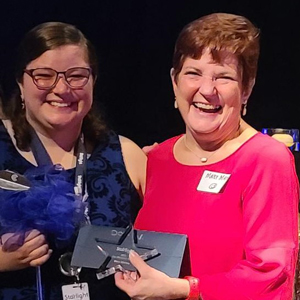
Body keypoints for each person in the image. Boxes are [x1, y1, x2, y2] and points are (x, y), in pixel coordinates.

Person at [115, 12, 299, 300]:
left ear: (247, 89)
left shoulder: (265, 159)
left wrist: (184, 290)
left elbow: (271, 275)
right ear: (174, 81)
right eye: (193, 73)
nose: (206, 90)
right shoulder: (157, 158)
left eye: (223, 77)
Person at [0, 22, 146, 299]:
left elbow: (164, 245)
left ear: (93, 81)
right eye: (44, 75)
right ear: (20, 83)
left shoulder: (127, 155)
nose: (62, 88)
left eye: (76, 76)